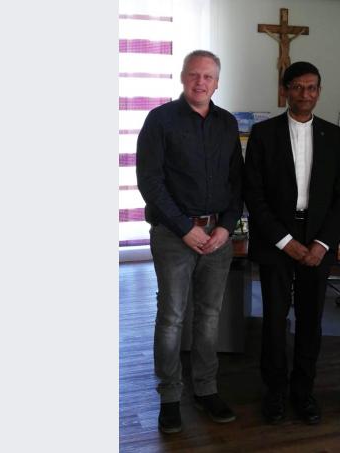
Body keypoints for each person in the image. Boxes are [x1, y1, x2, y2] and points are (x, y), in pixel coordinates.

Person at [136, 50, 243, 434]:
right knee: (172, 317)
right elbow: (150, 182)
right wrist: (185, 228)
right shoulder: (160, 120)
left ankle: (206, 389)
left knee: (209, 317)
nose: (201, 82)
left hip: (217, 237)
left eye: (209, 76)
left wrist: (225, 228)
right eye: (194, 75)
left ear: (217, 82)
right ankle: (169, 395)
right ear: (183, 77)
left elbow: (237, 183)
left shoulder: (227, 123)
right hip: (173, 236)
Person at [244, 62, 340, 425]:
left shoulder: (335, 138)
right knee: (274, 320)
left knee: (310, 320)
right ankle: (274, 392)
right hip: (276, 238)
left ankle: (303, 392)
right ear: (285, 90)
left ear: (319, 91)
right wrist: (285, 241)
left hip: (317, 238)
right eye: (298, 87)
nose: (305, 94)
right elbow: (253, 194)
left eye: (312, 88)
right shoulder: (263, 134)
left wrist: (322, 243)